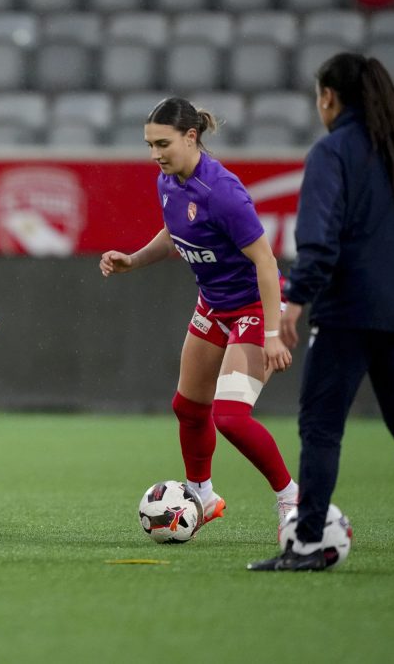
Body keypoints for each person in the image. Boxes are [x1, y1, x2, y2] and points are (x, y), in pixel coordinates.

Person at [248, 54, 394, 573]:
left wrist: (296, 300)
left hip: (347, 315)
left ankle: (306, 545)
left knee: (321, 427)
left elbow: (319, 236)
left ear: (329, 98)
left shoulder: (331, 153)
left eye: (319, 97)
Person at [100, 97, 299, 532]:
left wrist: (272, 334)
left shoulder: (222, 191)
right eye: (149, 145)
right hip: (213, 304)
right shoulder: (168, 181)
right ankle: (202, 496)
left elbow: (266, 263)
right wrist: (133, 260)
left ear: (191, 137)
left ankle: (290, 497)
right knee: (188, 408)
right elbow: (174, 233)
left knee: (230, 417)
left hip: (253, 307)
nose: (155, 154)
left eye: (163, 144)